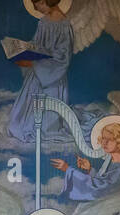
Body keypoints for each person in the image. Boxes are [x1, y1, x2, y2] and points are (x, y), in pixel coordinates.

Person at [6, 0, 74, 143]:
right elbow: (36, 44)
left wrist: (35, 62)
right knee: (15, 124)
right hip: (36, 74)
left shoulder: (65, 26)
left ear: (46, 1)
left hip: (52, 77)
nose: (38, 9)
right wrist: (23, 51)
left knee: (45, 127)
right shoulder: (43, 22)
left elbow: (63, 57)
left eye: (39, 6)